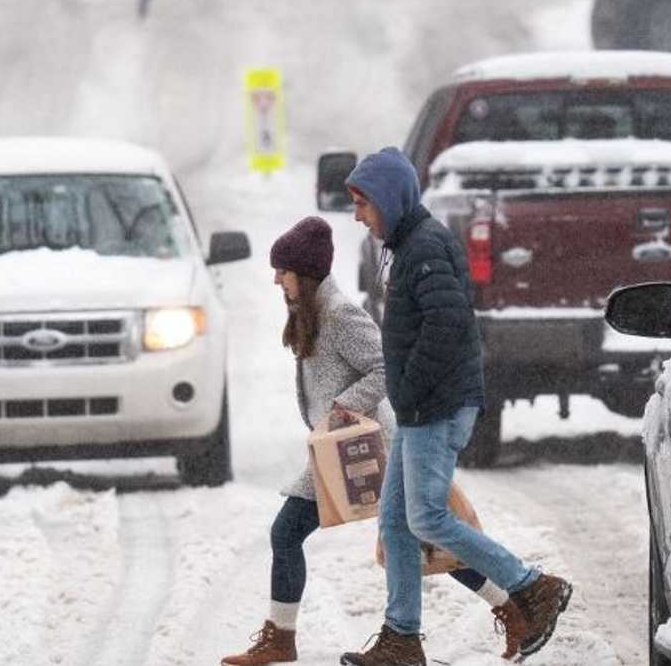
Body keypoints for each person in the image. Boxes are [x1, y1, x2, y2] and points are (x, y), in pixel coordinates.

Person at [221, 217, 528, 666]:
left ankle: (512, 605)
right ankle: (281, 638)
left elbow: (386, 367)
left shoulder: (341, 315)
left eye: (282, 272)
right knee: (404, 536)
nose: (275, 280)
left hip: (369, 448)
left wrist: (342, 408)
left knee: (417, 537)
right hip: (339, 449)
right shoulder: (313, 314)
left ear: (303, 275)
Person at [339, 149, 572, 666]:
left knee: (425, 517)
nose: (358, 215)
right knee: (397, 522)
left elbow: (448, 326)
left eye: (362, 204)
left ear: (389, 199)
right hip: (422, 404)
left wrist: (413, 388)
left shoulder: (423, 248)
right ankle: (401, 638)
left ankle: (532, 585)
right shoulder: (410, 244)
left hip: (435, 405)